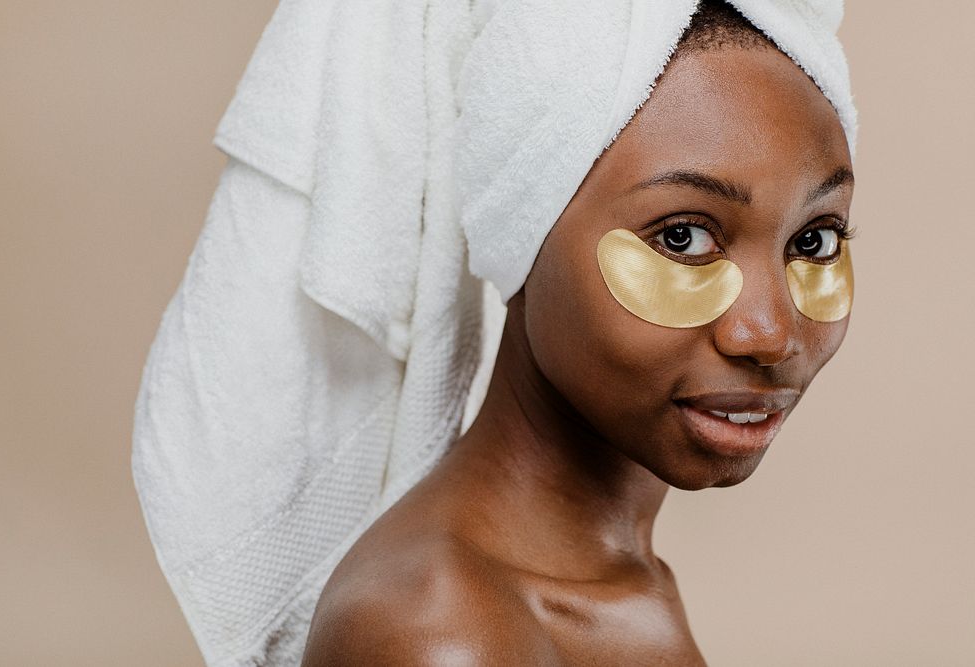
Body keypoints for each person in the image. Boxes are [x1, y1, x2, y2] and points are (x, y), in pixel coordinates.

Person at [300, 2, 855, 664]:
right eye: (683, 237)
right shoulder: (441, 631)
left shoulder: (617, 587)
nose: (770, 333)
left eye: (815, 239)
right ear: (520, 234)